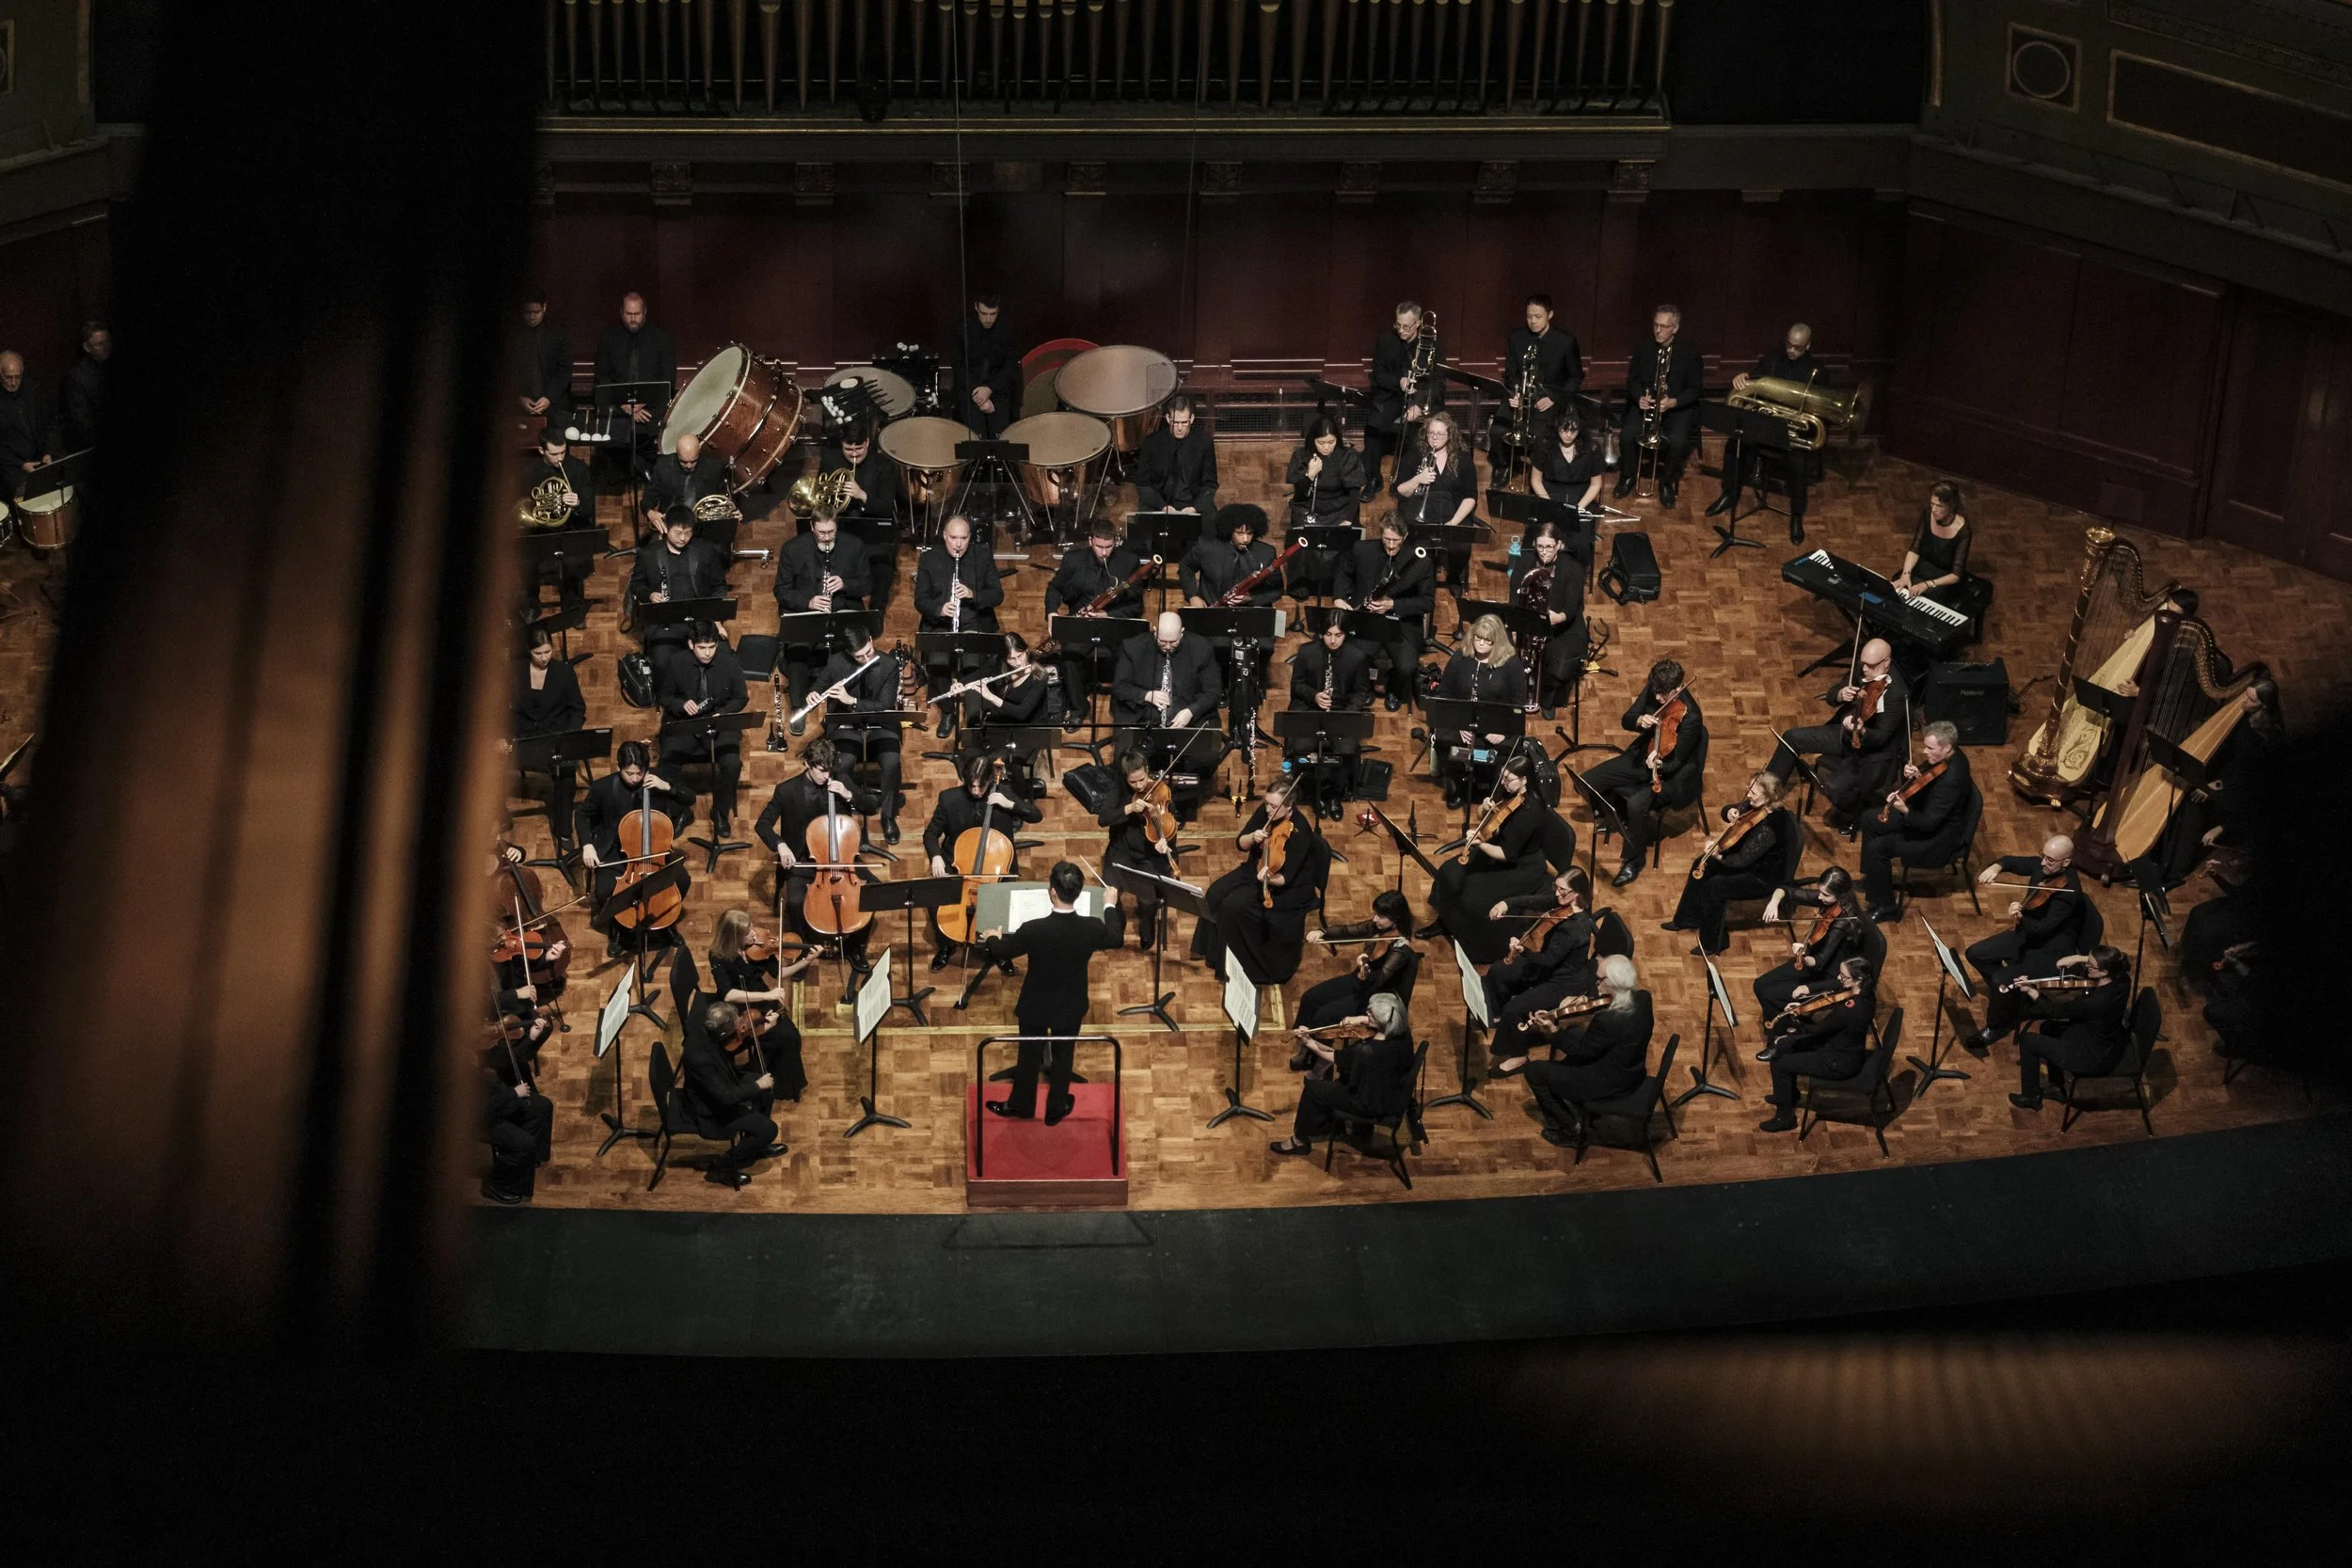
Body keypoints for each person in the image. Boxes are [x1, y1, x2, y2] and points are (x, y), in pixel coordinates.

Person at [978, 861, 1122, 1124]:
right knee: (1064, 1055)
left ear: (1053, 892)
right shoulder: (1091, 928)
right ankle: (1056, 1108)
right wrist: (1110, 904)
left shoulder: (1034, 929)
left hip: (1036, 1003)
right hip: (1071, 1004)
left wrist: (992, 937)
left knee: (1029, 1054)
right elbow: (1116, 936)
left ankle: (1022, 1105)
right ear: (1077, 893)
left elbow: (1001, 951)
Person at [754, 737, 882, 973]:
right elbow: (762, 825)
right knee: (794, 901)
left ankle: (855, 947)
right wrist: (780, 845)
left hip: (842, 859)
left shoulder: (841, 780)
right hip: (804, 860)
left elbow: (872, 806)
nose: (826, 777)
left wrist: (849, 795)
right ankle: (806, 950)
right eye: (822, 771)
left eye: (830, 770)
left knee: (875, 891)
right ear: (807, 763)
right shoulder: (786, 790)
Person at [1577, 659, 1705, 887]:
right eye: (1655, 692)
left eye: (1663, 695)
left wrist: (1659, 763)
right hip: (1643, 756)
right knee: (1587, 782)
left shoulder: (1692, 718)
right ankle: (1619, 815)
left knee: (1637, 804)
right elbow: (1626, 719)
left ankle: (1634, 860)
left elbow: (1676, 762)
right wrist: (1638, 720)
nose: (1657, 698)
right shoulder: (1656, 689)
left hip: (1671, 775)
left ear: (1677, 688)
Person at [1768, 637, 1909, 830]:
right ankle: (1767, 793)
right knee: (1792, 737)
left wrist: (1863, 729)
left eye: (1870, 665)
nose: (1865, 669)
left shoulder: (1897, 693)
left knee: (1834, 787)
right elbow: (1833, 695)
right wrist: (1840, 694)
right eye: (1863, 664)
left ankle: (1852, 813)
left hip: (1872, 753)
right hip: (1845, 734)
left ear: (1886, 662)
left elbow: (1883, 737)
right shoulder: (1862, 670)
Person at [1191, 778, 1323, 986]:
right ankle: (1211, 952)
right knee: (1215, 892)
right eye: (1267, 803)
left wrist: (1268, 877)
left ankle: (1234, 966)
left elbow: (1286, 878)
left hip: (1285, 886)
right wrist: (1253, 836)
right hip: (1257, 868)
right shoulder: (1265, 813)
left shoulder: (1301, 831)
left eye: (1273, 806)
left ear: (1289, 807)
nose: (1268, 809)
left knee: (1233, 906)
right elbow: (1241, 844)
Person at [573, 740, 693, 959]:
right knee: (606, 892)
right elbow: (582, 815)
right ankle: (618, 931)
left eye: (640, 773)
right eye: (630, 773)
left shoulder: (658, 778)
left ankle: (664, 922)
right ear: (619, 766)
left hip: (654, 850)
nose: (635, 778)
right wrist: (587, 845)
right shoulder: (602, 787)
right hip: (617, 852)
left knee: (682, 880)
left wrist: (667, 787)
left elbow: (689, 798)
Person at [1964, 834, 2087, 1047]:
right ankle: (2009, 995)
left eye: (2050, 860)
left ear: (2065, 863)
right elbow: (2017, 862)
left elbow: (2042, 929)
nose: (2042, 863)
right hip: (2028, 933)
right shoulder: (2046, 867)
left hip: (2050, 950)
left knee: (2001, 980)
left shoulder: (2069, 892)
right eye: (2043, 855)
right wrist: (1998, 866)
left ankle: (1997, 1026)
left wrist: (2021, 916)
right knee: (1975, 953)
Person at [1518, 955, 1651, 1147]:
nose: (1596, 984)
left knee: (1534, 1072)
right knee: (1573, 1033)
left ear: (1614, 983)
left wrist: (1553, 1030)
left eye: (1599, 980)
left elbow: (1582, 1051)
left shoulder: (1607, 1021)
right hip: (1633, 1070)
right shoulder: (1644, 998)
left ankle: (1571, 1129)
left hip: (1609, 1082)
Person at [925, 755, 1042, 971]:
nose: (977, 791)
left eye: (981, 786)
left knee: (1005, 902)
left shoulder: (1003, 794)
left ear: (990, 781)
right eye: (972, 786)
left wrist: (1010, 804)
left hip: (996, 864)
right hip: (958, 861)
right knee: (935, 896)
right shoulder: (949, 798)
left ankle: (999, 949)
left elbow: (1036, 815)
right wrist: (936, 856)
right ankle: (947, 944)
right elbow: (930, 834)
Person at [1706, 322, 1819, 543]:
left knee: (1798, 463)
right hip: (1766, 424)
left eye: (1798, 347)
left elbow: (1817, 412)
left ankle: (1796, 516)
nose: (1792, 351)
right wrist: (1743, 378)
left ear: (1808, 346)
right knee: (1734, 444)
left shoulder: (1817, 371)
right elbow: (1754, 381)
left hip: (1791, 431)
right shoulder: (1773, 358)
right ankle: (1729, 494)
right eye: (1789, 345)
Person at [1267, 991, 1418, 1158]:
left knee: (1312, 1089)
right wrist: (1360, 1019)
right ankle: (1328, 1124)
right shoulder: (1403, 1034)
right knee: (1341, 1078)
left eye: (1370, 1014)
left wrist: (1309, 1042)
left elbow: (1334, 1056)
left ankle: (1299, 1141)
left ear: (1381, 1022)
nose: (1366, 1014)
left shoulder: (1367, 1051)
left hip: (1370, 1103)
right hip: (1393, 1093)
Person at [1422, 753, 1548, 945]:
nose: (1503, 782)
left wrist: (1479, 844)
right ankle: (1444, 921)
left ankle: (1467, 938)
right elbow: (1484, 818)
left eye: (1508, 778)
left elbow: (1507, 855)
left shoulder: (1530, 814)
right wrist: (1483, 806)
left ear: (1524, 780)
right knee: (1449, 871)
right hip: (1498, 845)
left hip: (1520, 866)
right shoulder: (1508, 790)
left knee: (1471, 893)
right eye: (1503, 776)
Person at [1856, 721, 1975, 921]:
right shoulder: (1948, 757)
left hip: (1937, 839)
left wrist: (1903, 809)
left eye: (1930, 748)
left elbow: (1928, 824)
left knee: (1879, 848)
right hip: (1924, 815)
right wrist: (1912, 776)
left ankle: (1886, 907)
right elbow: (1927, 783)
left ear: (1946, 747)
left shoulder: (1953, 779)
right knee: (1869, 819)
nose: (1924, 751)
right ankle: (1873, 879)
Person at [771, 506, 874, 731]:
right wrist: (809, 601)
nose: (827, 538)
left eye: (831, 532)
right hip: (807, 614)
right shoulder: (793, 549)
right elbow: (781, 590)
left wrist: (845, 584)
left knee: (850, 651)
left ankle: (840, 709)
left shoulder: (854, 545)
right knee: (797, 649)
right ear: (812, 527)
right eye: (822, 533)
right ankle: (799, 708)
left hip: (842, 611)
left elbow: (867, 585)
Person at [1664, 771, 1789, 956]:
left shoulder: (1771, 827)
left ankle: (1714, 943)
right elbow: (1730, 811)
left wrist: (1718, 855)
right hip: (1743, 859)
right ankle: (1686, 918)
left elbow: (1741, 861)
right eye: (1749, 790)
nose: (1748, 795)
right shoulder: (1756, 805)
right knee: (1701, 864)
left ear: (1769, 798)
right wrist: (1728, 811)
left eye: (1753, 793)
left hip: (1761, 876)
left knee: (1715, 887)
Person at [1042, 518, 1149, 731]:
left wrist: (1108, 614)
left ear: (1115, 543)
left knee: (1129, 654)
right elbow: (1054, 589)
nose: (1104, 553)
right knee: (1069, 657)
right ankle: (1078, 708)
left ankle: (1120, 706)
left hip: (1113, 624)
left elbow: (1136, 606)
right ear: (1090, 541)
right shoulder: (1073, 560)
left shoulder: (1129, 562)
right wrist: (1052, 613)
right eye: (1099, 547)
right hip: (1080, 624)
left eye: (1109, 547)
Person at [1293, 890, 1418, 1069]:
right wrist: (1323, 932)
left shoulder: (1400, 950)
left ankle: (1315, 1058)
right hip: (1360, 980)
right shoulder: (1377, 928)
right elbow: (1349, 931)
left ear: (1395, 919)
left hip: (1372, 997)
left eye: (1381, 916)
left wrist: (1363, 969)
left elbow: (1379, 981)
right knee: (1310, 998)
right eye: (1376, 914)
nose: (1375, 919)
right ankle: (1303, 1044)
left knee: (1323, 1016)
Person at [1484, 867, 1599, 1053]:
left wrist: (1523, 951)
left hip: (1563, 981)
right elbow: (1536, 901)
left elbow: (1547, 960)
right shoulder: (1564, 902)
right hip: (1550, 965)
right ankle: (1497, 1016)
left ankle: (1517, 1055)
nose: (1556, 893)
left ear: (1577, 892)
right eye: (1556, 887)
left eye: (1562, 890)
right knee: (1498, 971)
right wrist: (1506, 903)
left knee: (1515, 1009)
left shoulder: (1574, 928)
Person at [1755, 957, 1874, 1133]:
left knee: (1781, 1061)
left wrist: (1797, 1019)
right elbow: (1828, 1023)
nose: (1839, 979)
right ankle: (1787, 1095)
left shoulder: (1851, 1010)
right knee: (1784, 1047)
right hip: (1838, 1046)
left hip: (1837, 1062)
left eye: (1844, 976)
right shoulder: (1866, 995)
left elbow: (1818, 1031)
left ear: (1858, 980)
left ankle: (1784, 1118)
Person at [810, 626, 908, 843]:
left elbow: (884, 705)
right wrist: (813, 693)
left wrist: (852, 701)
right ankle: (866, 801)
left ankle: (889, 816)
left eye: (868, 652)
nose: (865, 659)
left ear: (871, 640)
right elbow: (820, 684)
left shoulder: (890, 665)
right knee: (841, 766)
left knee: (892, 764)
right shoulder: (837, 662)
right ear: (848, 654)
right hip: (847, 725)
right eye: (858, 657)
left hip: (881, 724)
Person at [2007, 946, 2133, 1113]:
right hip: (2106, 1039)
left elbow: (2055, 1011)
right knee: (2048, 1028)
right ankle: (2057, 1087)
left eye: (2090, 965)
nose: (2086, 966)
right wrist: (2077, 958)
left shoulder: (2094, 1002)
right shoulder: (2123, 980)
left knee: (2028, 1041)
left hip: (2091, 1056)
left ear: (2103, 972)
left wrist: (2031, 990)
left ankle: (2031, 1097)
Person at [707, 907, 815, 1101]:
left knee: (791, 1037)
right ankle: (780, 1085)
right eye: (747, 933)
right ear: (734, 937)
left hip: (762, 996)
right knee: (786, 1037)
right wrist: (767, 996)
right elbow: (729, 995)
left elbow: (779, 974)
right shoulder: (718, 956)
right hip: (741, 1009)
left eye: (751, 927)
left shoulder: (757, 947)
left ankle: (781, 1078)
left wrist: (805, 962)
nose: (754, 933)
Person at [914, 514, 1005, 738]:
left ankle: (973, 717)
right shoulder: (929, 558)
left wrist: (973, 594)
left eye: (963, 538)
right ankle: (948, 712)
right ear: (944, 536)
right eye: (953, 538)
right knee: (938, 661)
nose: (958, 544)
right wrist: (939, 609)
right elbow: (920, 600)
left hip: (974, 623)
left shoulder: (981, 555)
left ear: (970, 538)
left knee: (973, 663)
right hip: (941, 625)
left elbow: (997, 595)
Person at [654, 621, 749, 835]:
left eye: (712, 647)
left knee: (732, 764)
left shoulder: (729, 661)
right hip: (686, 722)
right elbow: (664, 696)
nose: (707, 653)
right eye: (702, 648)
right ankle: (681, 812)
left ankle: (719, 813)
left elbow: (741, 698)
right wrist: (681, 704)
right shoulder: (676, 662)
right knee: (667, 760)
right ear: (690, 644)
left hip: (718, 722)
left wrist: (721, 714)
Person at [1332, 513, 1434, 711]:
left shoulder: (1421, 561)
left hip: (1401, 622)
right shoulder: (1362, 549)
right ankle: (1364, 689)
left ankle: (1394, 688)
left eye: (1396, 541)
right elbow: (1343, 573)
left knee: (1406, 666)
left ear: (1404, 537)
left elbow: (1427, 602)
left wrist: (1393, 605)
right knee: (1354, 656)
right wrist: (1339, 598)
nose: (1391, 546)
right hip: (1367, 619)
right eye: (1386, 539)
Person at [680, 1000, 787, 1190]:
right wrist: (756, 1085)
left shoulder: (708, 1028)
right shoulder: (699, 1057)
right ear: (723, 1033)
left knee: (767, 1091)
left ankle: (753, 1146)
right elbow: (725, 1096)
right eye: (736, 1025)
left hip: (723, 1081)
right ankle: (722, 1168)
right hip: (711, 1110)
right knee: (769, 1129)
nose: (741, 1026)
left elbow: (730, 1046)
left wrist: (757, 1029)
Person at [1431, 613, 1526, 811]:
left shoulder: (1511, 664)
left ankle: (1491, 793)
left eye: (1487, 640)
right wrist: (1458, 724)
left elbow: (1518, 704)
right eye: (1478, 638)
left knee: (1505, 750)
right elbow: (1446, 693)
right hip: (1463, 721)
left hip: (1497, 725)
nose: (1481, 644)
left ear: (1497, 641)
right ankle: (1459, 786)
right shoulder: (1461, 656)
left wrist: (1503, 731)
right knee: (1444, 741)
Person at [1612, 304, 1704, 508]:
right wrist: (1639, 398)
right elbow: (1632, 380)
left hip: (1675, 407)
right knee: (1626, 435)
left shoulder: (1690, 352)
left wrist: (1673, 402)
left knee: (1678, 442)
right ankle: (1627, 476)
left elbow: (1695, 389)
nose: (1658, 331)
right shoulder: (1644, 347)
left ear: (1676, 328)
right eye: (1656, 325)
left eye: (1664, 326)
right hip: (1647, 404)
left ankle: (1667, 483)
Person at [628, 506, 726, 679]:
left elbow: (719, 586)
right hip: (664, 622)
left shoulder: (705, 550)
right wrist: (650, 595)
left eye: (688, 533)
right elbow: (636, 585)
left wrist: (716, 618)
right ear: (666, 528)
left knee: (722, 658)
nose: (683, 538)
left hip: (700, 618)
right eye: (678, 533)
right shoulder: (648, 554)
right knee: (663, 662)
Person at [510, 625, 586, 849]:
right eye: (538, 653)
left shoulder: (564, 672)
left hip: (555, 738)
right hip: (523, 737)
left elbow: (577, 710)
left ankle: (563, 829)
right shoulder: (514, 670)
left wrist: (569, 736)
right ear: (528, 650)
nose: (544, 658)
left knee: (567, 772)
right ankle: (499, 820)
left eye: (547, 652)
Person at [1755, 865, 1866, 1018]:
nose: (1820, 897)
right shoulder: (1827, 901)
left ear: (1841, 895)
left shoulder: (1843, 922)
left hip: (1831, 975)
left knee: (1769, 994)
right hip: (1815, 959)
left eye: (1825, 894)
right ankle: (1782, 1024)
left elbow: (1819, 961)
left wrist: (1802, 956)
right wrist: (1774, 902)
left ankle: (1786, 1028)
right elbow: (1785, 890)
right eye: (1819, 891)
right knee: (1760, 984)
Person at [1286, 616, 1374, 808]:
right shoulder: (1307, 652)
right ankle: (1312, 791)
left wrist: (1347, 715)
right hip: (1311, 709)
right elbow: (1297, 686)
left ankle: (1335, 793)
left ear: (1345, 635)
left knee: (1346, 750)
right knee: (1302, 746)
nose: (1332, 641)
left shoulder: (1357, 657)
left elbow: (1361, 693)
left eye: (1338, 635)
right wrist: (1315, 695)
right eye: (1328, 635)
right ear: (1321, 633)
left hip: (1342, 711)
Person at [1492, 293, 1585, 470]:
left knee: (1541, 436)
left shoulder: (1566, 341)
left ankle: (1539, 475)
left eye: (1538, 316)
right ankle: (1503, 468)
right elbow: (1510, 373)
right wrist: (1516, 392)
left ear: (1550, 315)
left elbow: (1576, 377)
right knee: (1497, 431)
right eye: (1529, 316)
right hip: (1520, 397)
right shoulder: (1516, 337)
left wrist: (1554, 397)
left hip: (1548, 400)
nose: (1532, 321)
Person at [1363, 300, 1443, 499]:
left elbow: (1437, 381)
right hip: (1393, 396)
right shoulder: (1385, 340)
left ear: (1418, 324)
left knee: (1418, 431)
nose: (1401, 330)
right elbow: (1377, 375)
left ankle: (1408, 481)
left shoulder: (1432, 344)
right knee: (1373, 427)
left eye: (1406, 326)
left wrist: (1418, 403)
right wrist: (1398, 381)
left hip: (1420, 398)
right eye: (1397, 325)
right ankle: (1373, 478)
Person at [1101, 749, 1178, 950]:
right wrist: (1128, 808)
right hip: (1121, 851)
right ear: (1125, 778)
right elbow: (1103, 818)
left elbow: (1171, 826)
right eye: (1133, 782)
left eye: (1142, 779)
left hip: (1149, 855)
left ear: (1147, 770)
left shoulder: (1161, 791)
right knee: (1110, 890)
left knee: (1148, 899)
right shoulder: (1119, 789)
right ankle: (1116, 927)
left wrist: (1165, 844)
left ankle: (1147, 927)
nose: (1140, 785)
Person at [592, 291, 675, 475]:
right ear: (621, 313)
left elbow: (667, 378)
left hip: (651, 409)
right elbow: (602, 378)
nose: (633, 319)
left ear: (645, 312)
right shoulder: (609, 338)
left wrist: (640, 404)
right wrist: (626, 405)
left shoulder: (660, 338)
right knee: (615, 432)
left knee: (658, 428)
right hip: (618, 408)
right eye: (629, 314)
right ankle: (624, 470)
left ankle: (646, 468)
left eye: (637, 314)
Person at [1510, 524, 1588, 719]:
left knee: (1560, 669)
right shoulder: (1524, 563)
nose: (1544, 552)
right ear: (1535, 544)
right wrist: (1516, 629)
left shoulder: (1573, 569)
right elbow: (1514, 599)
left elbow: (1569, 611)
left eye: (1549, 547)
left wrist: (1552, 620)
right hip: (1530, 622)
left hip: (1563, 627)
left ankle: (1547, 697)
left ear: (1559, 545)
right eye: (1540, 546)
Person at [481, 1005, 555, 1205]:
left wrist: (532, 1037)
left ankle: (529, 1159)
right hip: (481, 1118)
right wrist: (514, 1093)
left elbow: (510, 1058)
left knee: (543, 1107)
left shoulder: (490, 1053)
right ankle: (498, 1185)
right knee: (523, 1143)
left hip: (498, 1100)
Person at [1394, 410, 1477, 586]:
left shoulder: (1463, 458)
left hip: (1453, 512)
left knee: (1461, 548)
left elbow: (1471, 496)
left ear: (1450, 435)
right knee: (1415, 547)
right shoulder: (1416, 454)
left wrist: (1453, 523)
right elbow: (1400, 490)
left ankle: (1454, 576)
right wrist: (1418, 479)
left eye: (1440, 434)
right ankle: (1421, 577)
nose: (1434, 438)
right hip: (1421, 512)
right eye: (1431, 433)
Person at [1111, 610, 1221, 736]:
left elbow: (1214, 691)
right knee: (1129, 753)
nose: (1168, 647)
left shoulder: (1201, 647)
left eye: (1173, 642)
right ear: (1155, 631)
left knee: (1203, 753)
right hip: (1142, 717)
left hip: (1189, 716)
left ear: (1182, 633)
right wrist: (1146, 695)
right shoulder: (1133, 647)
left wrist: (1191, 711)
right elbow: (1119, 687)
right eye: (1162, 641)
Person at [644, 431, 734, 551]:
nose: (689, 466)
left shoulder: (714, 468)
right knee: (653, 555)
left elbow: (724, 498)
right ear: (677, 454)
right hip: (671, 524)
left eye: (694, 461)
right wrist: (651, 513)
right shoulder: (663, 466)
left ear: (699, 452)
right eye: (683, 462)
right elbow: (648, 497)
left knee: (718, 554)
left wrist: (733, 511)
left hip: (702, 527)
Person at [1180, 501, 1279, 610]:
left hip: (1251, 615)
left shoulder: (1267, 552)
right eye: (1239, 533)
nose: (1245, 539)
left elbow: (1276, 589)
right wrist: (1192, 596)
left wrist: (1252, 598)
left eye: (1250, 533)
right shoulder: (1206, 547)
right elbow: (1186, 567)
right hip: (1213, 613)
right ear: (1229, 530)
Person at [1892, 482, 1974, 608]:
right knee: (1894, 594)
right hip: (1921, 569)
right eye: (1932, 504)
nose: (1934, 510)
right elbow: (1915, 549)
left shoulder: (1963, 532)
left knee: (1920, 608)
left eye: (1939, 506)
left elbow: (1956, 575)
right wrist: (1905, 574)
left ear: (1951, 506)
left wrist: (1927, 584)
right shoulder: (1927, 514)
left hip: (1943, 581)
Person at [1136, 392, 1218, 515]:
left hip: (1192, 502)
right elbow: (1143, 484)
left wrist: (1194, 508)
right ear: (1168, 419)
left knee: (1210, 532)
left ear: (1192, 419)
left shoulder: (1204, 443)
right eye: (1175, 422)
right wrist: (1163, 506)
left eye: (1184, 422)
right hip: (1160, 502)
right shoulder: (1151, 443)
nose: (1179, 428)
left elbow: (1210, 484)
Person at [951, 293, 1019, 438]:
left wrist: (989, 389)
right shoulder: (962, 328)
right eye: (984, 314)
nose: (988, 319)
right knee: (974, 437)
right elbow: (958, 366)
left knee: (1001, 437)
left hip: (999, 389)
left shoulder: (1008, 329)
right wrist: (978, 393)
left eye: (993, 314)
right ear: (976, 307)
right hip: (970, 388)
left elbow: (1010, 365)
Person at [0, 350, 56, 501]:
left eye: (17, 377)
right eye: (8, 377)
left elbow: (49, 425)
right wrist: (21, 464)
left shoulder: (33, 390)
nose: (13, 382)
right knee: (28, 494)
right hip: (12, 466)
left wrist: (48, 452)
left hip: (40, 457)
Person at [1529, 408, 1605, 517]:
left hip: (1581, 498)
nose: (1568, 435)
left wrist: (1578, 509)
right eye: (1564, 429)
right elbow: (1536, 481)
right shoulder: (1544, 445)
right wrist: (1551, 506)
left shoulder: (1592, 448)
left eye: (1574, 430)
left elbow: (1596, 484)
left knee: (1581, 531)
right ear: (1556, 426)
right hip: (1549, 495)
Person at [516, 293, 571, 440]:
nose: (532, 317)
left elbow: (565, 369)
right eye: (528, 312)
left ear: (544, 308)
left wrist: (548, 398)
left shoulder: (558, 332)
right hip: (520, 406)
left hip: (554, 404)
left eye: (537, 312)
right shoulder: (513, 334)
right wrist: (519, 398)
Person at [57, 321, 110, 452]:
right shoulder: (77, 377)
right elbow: (82, 422)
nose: (106, 347)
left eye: (107, 342)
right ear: (87, 348)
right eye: (99, 344)